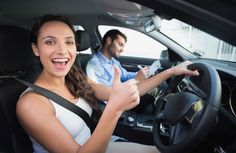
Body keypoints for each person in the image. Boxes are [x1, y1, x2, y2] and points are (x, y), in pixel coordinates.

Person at [16, 14, 199, 153]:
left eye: (69, 42)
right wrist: (114, 109)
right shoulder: (31, 103)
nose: (62, 50)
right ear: (36, 49)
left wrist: (171, 72)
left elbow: (128, 92)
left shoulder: (74, 78)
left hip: (98, 143)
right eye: (50, 42)